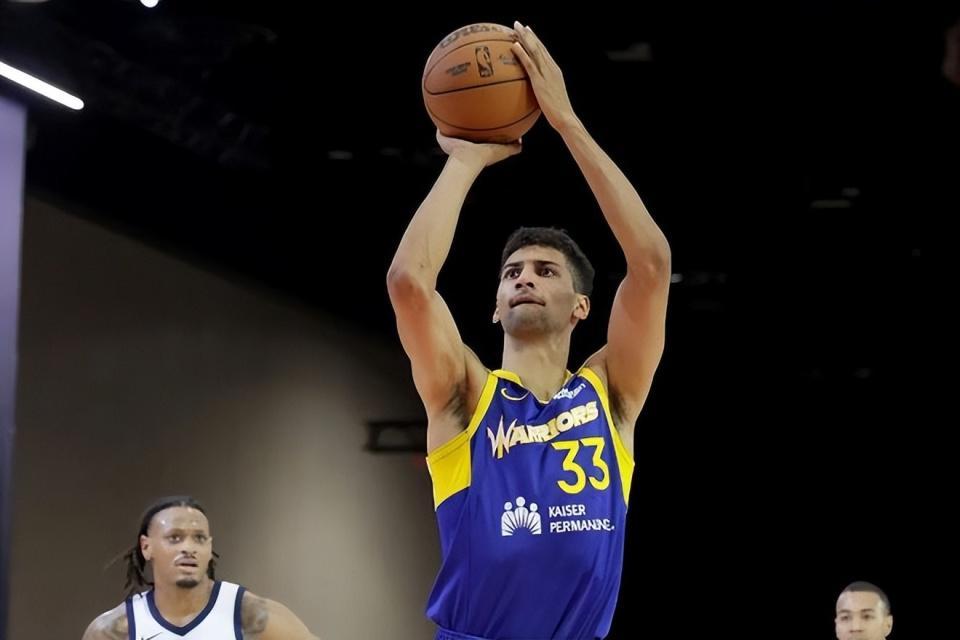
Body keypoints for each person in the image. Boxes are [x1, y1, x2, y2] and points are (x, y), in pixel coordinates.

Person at [387, 20, 671, 640]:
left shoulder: (610, 394)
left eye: (545, 271)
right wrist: (464, 161)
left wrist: (566, 122)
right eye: (512, 272)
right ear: (494, 306)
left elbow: (651, 264)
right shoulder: (466, 397)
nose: (524, 279)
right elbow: (409, 282)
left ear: (580, 307)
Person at [81, 496, 319, 640]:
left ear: (210, 546)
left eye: (199, 538)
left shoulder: (249, 615)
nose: (189, 548)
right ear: (146, 547)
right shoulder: (115, 629)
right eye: (175, 538)